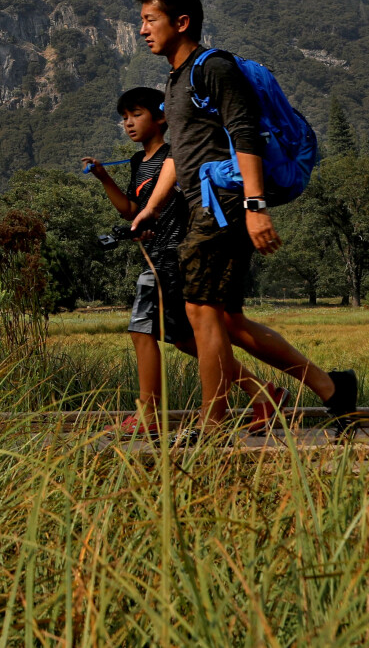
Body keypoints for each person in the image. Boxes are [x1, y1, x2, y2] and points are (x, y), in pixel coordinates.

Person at [136, 0, 360, 432]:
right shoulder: (177, 79)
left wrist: (255, 205)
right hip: (207, 205)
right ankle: (333, 389)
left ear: (181, 22)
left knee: (201, 311)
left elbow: (246, 134)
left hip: (223, 206)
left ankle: (213, 423)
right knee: (230, 321)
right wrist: (153, 208)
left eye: (149, 19)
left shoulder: (212, 68)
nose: (142, 29)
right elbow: (181, 152)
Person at [83, 88, 277, 434]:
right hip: (156, 256)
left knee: (142, 329)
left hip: (175, 255)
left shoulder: (176, 156)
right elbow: (132, 211)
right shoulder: (137, 163)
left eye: (136, 114)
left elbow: (171, 205)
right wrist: (103, 177)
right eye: (124, 117)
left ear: (161, 118)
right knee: (185, 339)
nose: (128, 123)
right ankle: (262, 392)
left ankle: (149, 412)